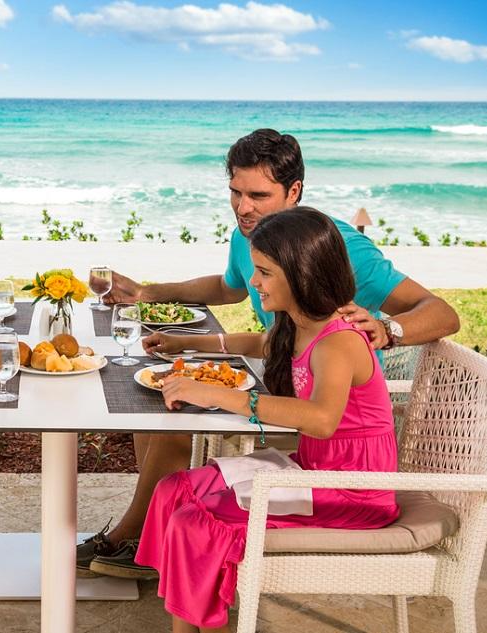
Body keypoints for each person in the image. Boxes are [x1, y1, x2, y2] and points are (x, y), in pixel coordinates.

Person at [79, 129, 459, 579]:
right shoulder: (253, 233)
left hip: (328, 403)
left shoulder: (333, 248)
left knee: (176, 420)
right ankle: (159, 537)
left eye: (258, 194)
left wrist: (388, 328)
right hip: (279, 365)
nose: (243, 208)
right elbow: (229, 286)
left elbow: (443, 314)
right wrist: (147, 291)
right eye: (235, 193)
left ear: (293, 191)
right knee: (161, 393)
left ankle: (136, 537)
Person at [136, 207, 400, 632]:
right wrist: (185, 343)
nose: (253, 282)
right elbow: (263, 342)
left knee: (193, 522)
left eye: (263, 272)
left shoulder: (340, 341)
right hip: (313, 475)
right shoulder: (301, 323)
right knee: (173, 491)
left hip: (351, 492)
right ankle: (190, 619)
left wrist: (217, 395)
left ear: (301, 274)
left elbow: (321, 420)